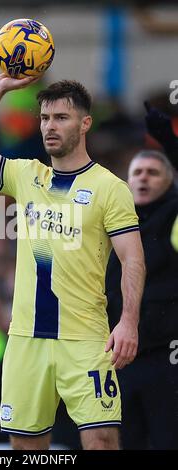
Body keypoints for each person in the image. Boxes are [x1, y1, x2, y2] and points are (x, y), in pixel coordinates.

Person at [0, 74, 146, 450]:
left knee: (102, 440)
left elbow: (132, 258)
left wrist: (129, 322)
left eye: (61, 117)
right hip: (26, 338)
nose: (49, 127)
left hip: (86, 339)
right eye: (44, 118)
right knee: (25, 447)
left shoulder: (110, 188)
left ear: (85, 123)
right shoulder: (27, 175)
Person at [106, 150, 178, 449]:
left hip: (167, 356)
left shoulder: (174, 215)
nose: (143, 177)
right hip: (119, 359)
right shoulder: (110, 222)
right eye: (137, 172)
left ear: (170, 181)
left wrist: (169, 143)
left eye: (153, 172)